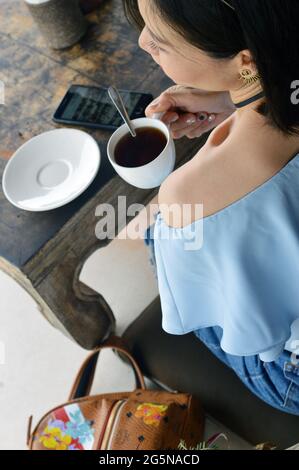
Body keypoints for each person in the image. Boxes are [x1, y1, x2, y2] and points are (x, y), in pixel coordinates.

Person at [123, 0, 299, 415]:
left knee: (156, 235)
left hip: (291, 377)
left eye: (161, 41)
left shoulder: (187, 196)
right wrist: (242, 95)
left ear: (245, 59)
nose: (143, 41)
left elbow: (209, 314)